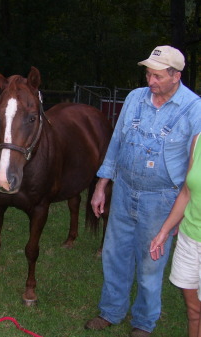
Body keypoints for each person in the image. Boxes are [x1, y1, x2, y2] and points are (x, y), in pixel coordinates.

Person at [84, 45, 201, 337]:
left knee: (151, 261)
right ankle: (111, 310)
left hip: (161, 199)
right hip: (124, 190)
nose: (150, 82)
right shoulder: (135, 99)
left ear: (176, 76)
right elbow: (116, 144)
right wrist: (102, 185)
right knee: (114, 254)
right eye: (148, 74)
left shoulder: (194, 108)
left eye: (157, 76)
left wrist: (181, 211)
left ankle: (144, 322)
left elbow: (195, 161)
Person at [150, 132, 201, 337]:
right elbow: (187, 192)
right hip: (190, 240)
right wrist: (164, 230)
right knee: (194, 311)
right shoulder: (198, 141)